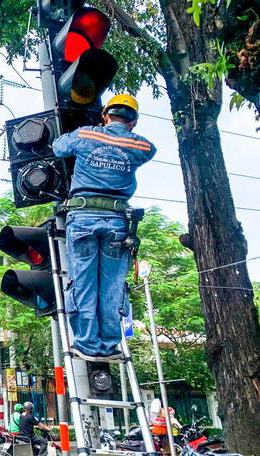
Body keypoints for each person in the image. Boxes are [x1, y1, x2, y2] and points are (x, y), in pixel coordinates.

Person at [53, 94, 157, 361]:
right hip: (117, 222)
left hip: (84, 217)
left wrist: (86, 133)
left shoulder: (88, 135)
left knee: (84, 283)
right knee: (111, 285)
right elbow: (150, 150)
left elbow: (58, 146)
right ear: (132, 122)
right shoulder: (140, 145)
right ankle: (110, 345)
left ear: (105, 115)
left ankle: (87, 344)